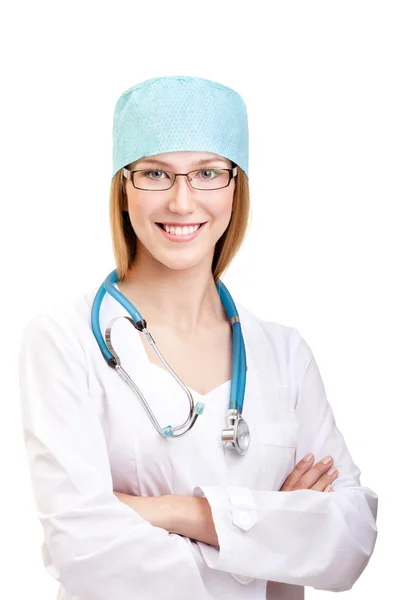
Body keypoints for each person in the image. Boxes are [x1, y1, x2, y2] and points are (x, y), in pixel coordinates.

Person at [18, 75, 378, 600]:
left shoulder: (283, 354)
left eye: (208, 172)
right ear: (124, 188)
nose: (183, 202)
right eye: (156, 174)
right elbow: (87, 553)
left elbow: (351, 539)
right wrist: (274, 532)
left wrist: (175, 511)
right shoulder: (64, 341)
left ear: (237, 185)